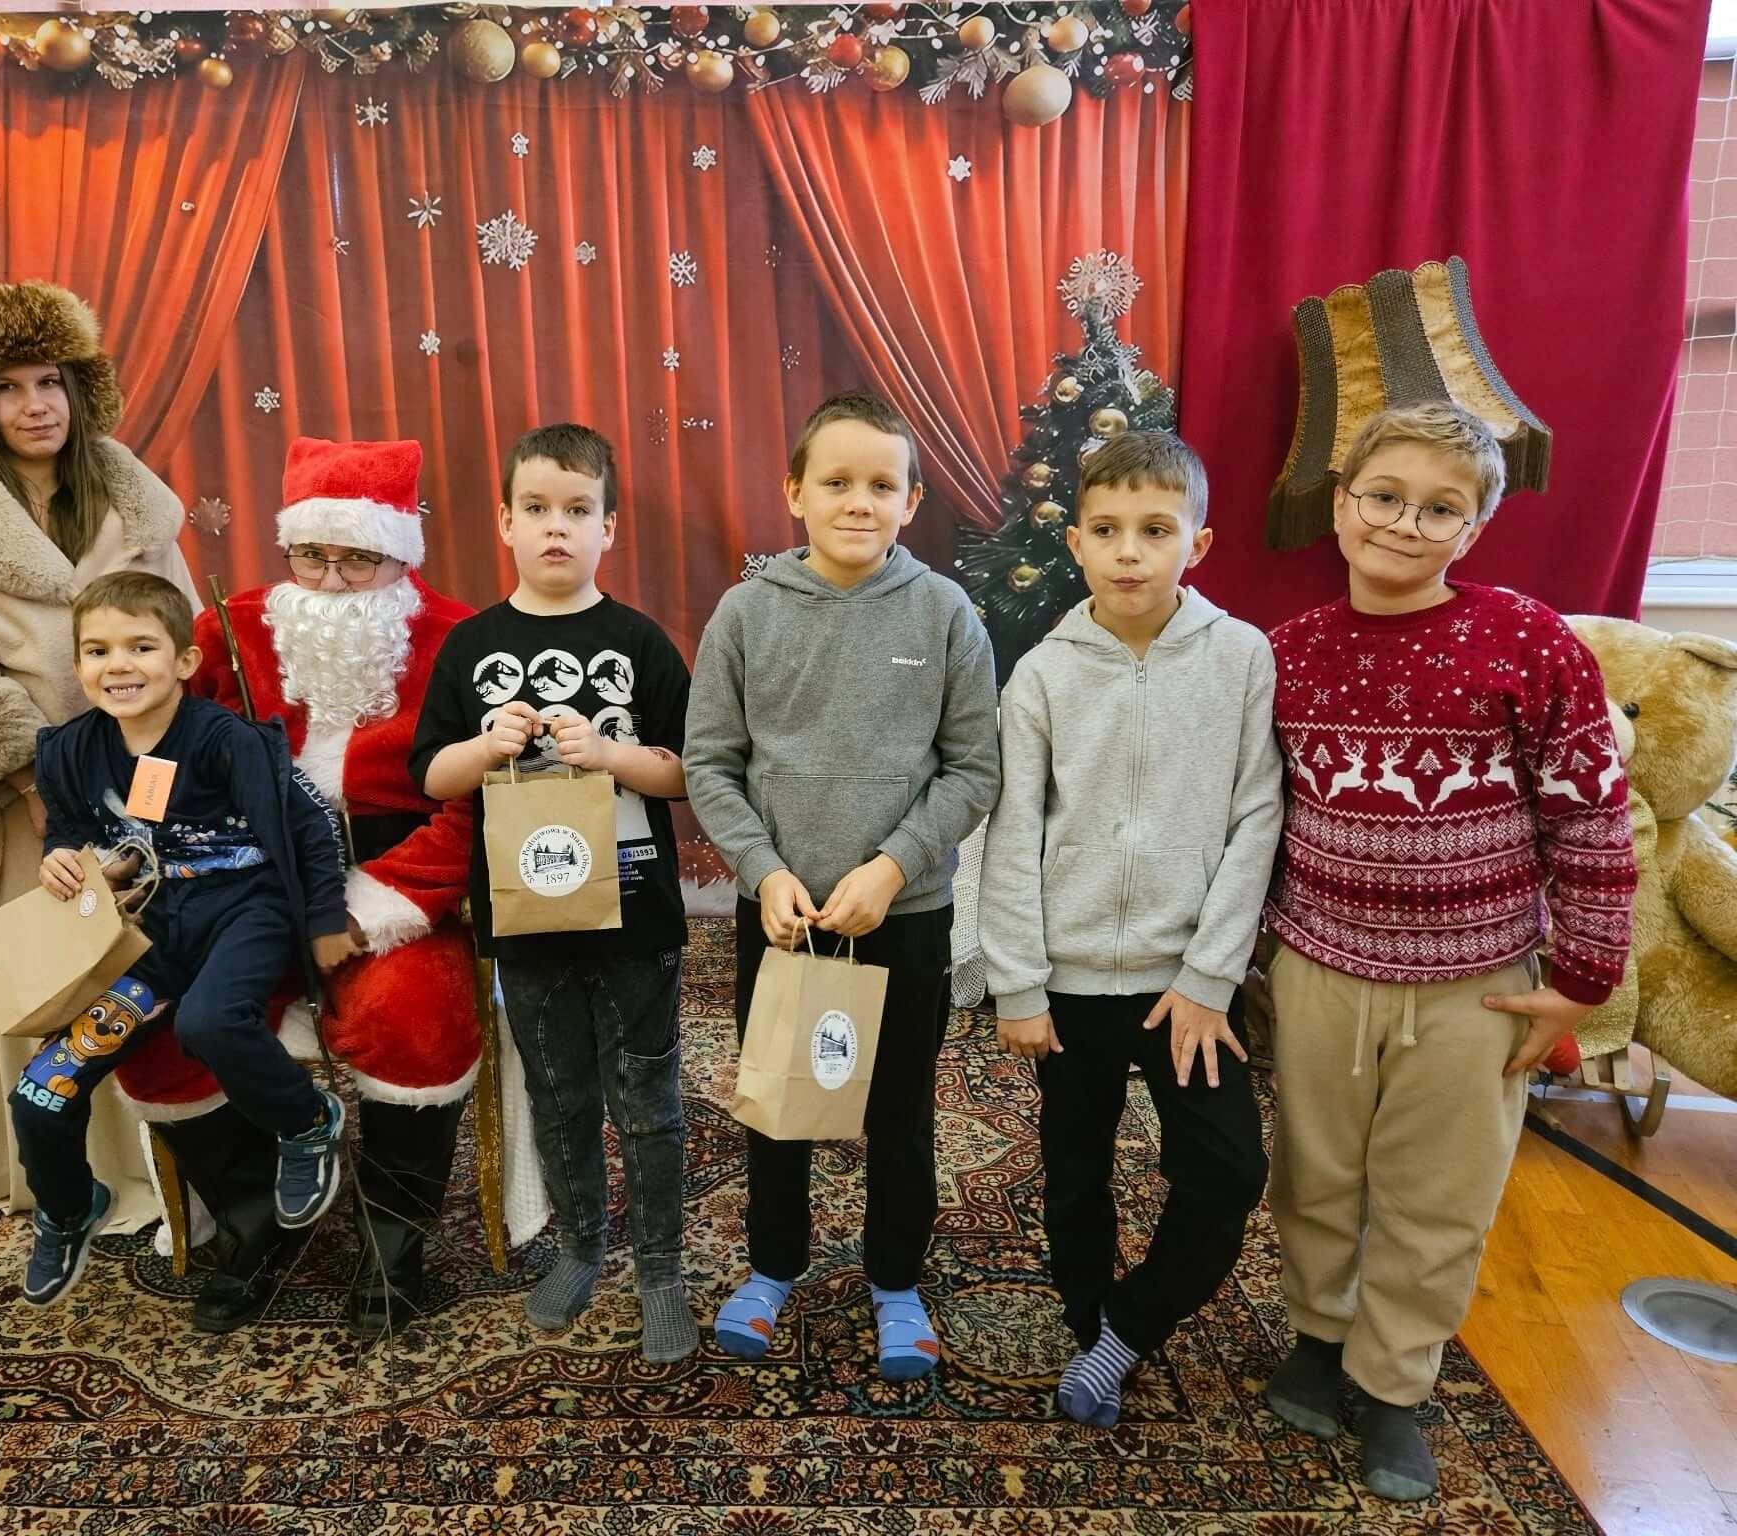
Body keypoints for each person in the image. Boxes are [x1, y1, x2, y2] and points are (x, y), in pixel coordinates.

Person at [1259, 402, 1636, 1500]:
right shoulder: (1284, 654)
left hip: (1477, 989)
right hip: (1319, 968)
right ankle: (1318, 1337)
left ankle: (1392, 1382)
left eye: (1439, 509)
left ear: (1472, 529)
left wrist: (1582, 981)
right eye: (1383, 497)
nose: (1403, 524)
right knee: (1315, 1174)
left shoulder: (1529, 641)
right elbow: (1255, 817)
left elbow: (1590, 814)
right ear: (1340, 504)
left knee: (1439, 1195)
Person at [112, 436, 489, 1337]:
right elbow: (158, 748)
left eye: (357, 559)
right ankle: (253, 1222)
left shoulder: (458, 638)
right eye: (311, 555)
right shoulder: (228, 628)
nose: (330, 580)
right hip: (239, 885)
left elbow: (475, 807)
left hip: (391, 886)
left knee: (411, 1016)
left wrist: (382, 904)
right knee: (153, 1018)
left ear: (399, 554)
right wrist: (134, 842)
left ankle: (392, 1239)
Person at [685, 390, 1000, 1381]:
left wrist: (893, 866)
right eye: (836, 482)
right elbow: (710, 765)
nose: (859, 501)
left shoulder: (944, 613)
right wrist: (763, 871)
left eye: (881, 484)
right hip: (784, 916)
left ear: (911, 501)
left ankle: (896, 1281)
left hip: (904, 914)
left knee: (898, 1108)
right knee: (780, 1101)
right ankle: (772, 1267)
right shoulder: (746, 613)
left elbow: (973, 769)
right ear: (794, 492)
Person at [976, 431, 1282, 1426]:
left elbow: (1256, 819)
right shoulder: (1041, 675)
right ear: (1073, 542)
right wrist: (1018, 983)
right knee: (1075, 1175)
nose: (1128, 552)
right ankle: (1087, 1330)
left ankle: (1125, 1326)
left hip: (1183, 986)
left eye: (1155, 530)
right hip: (1068, 987)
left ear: (1197, 543)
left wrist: (1208, 977)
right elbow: (1011, 832)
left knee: (1227, 1170)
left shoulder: (1240, 658)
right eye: (1105, 530)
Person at [0, 281, 198, 1229]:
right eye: (9, 387)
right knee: (48, 947)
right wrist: (43, 787)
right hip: (14, 789)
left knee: (147, 941)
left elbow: (179, 627)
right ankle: (58, 1171)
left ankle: (168, 1161)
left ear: (79, 387)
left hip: (135, 758)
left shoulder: (126, 495)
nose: (35, 406)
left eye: (50, 381)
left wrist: (162, 761)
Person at [410, 424, 696, 1364]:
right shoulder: (471, 647)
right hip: (527, 917)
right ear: (504, 521)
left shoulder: (639, 641)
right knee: (561, 1094)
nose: (556, 527)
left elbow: (687, 772)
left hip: (635, 916)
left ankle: (661, 1269)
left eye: (578, 510)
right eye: (536, 508)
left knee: (645, 1099)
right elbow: (432, 776)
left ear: (609, 527)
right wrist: (486, 746)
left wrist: (609, 754)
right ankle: (580, 1247)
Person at [11, 571, 355, 1306]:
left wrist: (326, 919)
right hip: (150, 936)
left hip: (245, 913)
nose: (119, 665)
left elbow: (312, 824)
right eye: (98, 650)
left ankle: (307, 1121)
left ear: (185, 660)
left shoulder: (226, 741)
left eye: (141, 646)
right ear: (77, 664)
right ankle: (69, 1208)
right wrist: (62, 857)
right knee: (42, 1089)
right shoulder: (69, 751)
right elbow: (70, 828)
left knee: (209, 1023)